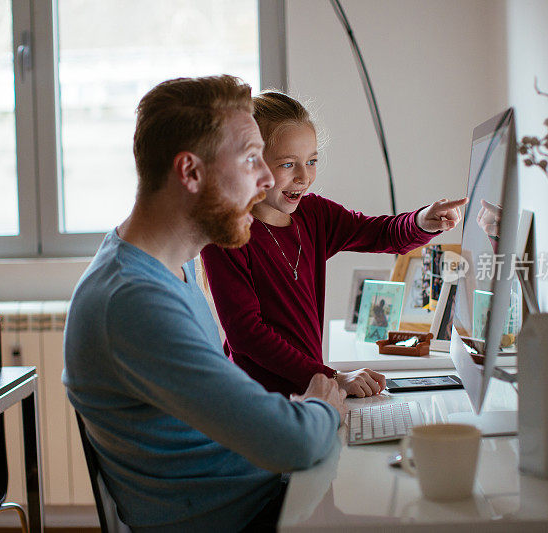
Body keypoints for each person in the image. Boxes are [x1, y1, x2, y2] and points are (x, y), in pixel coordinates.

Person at [63, 76, 347, 533]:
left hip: (257, 492)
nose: (266, 180)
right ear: (191, 173)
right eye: (252, 160)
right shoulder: (133, 302)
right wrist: (320, 407)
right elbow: (292, 443)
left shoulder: (173, 267)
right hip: (238, 517)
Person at [200, 91, 467, 399]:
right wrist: (333, 378)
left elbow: (380, 233)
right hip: (258, 403)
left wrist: (422, 220)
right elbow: (247, 335)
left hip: (311, 394)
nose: (304, 176)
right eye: (288, 164)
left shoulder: (315, 215)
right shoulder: (227, 234)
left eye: (311, 161)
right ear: (250, 165)